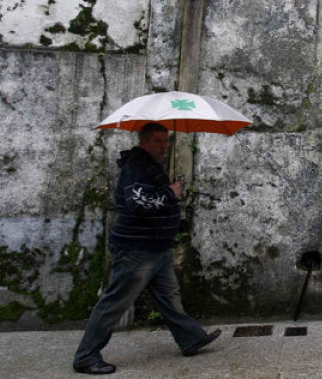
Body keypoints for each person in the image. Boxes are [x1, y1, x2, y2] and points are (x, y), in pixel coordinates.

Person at [73, 122, 220, 375]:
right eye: (157, 141)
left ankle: (190, 338)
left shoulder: (149, 166)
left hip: (155, 248)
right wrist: (170, 194)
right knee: (115, 302)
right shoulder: (137, 168)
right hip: (136, 249)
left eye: (165, 141)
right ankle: (86, 355)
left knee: (169, 297)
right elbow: (137, 203)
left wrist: (168, 190)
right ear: (144, 141)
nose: (163, 146)